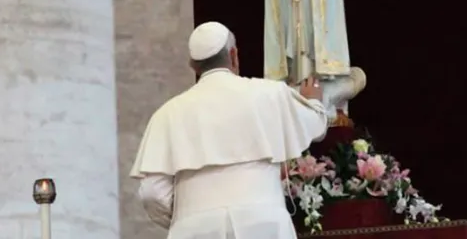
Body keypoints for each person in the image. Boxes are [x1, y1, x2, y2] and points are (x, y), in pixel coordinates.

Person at [130, 21, 328, 238]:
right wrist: (314, 102)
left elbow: (152, 193)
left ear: (193, 66)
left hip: (194, 230)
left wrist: (186, 218)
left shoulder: (167, 113)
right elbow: (315, 126)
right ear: (234, 55)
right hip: (264, 223)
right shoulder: (271, 94)